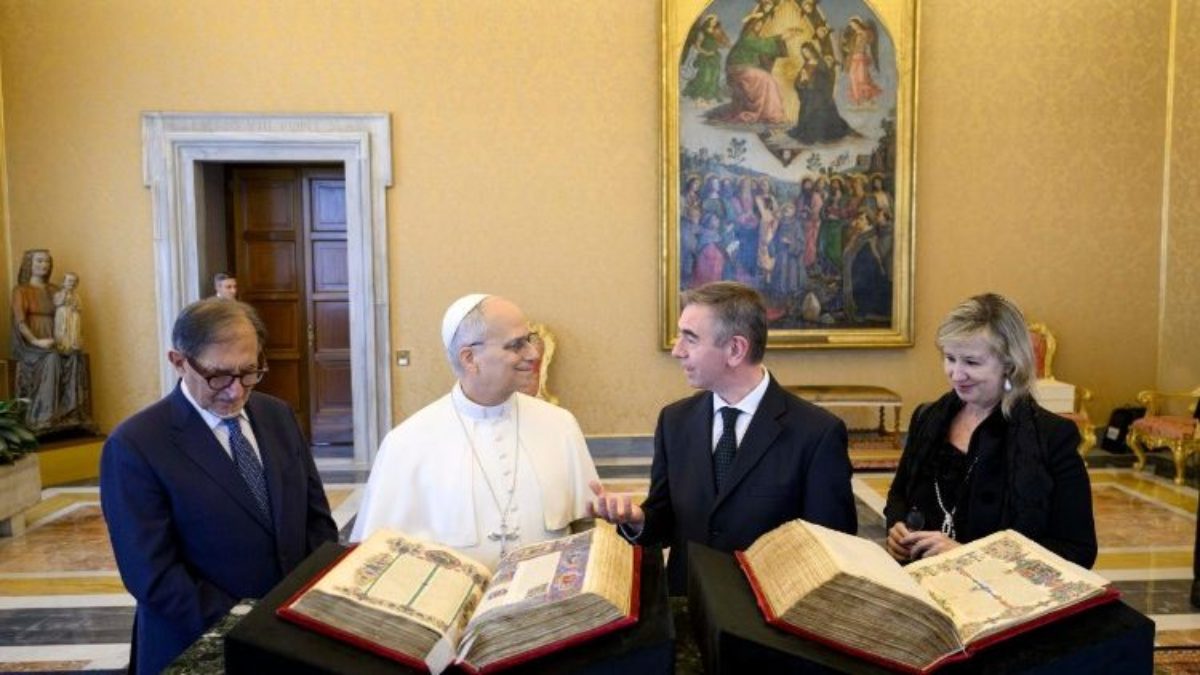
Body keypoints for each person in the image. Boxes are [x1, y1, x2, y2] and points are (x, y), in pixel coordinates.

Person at [100, 299, 338, 674]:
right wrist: (251, 627)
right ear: (179, 362)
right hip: (197, 646)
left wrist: (309, 607)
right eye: (219, 376)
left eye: (249, 372)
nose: (235, 391)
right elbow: (154, 577)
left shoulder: (277, 415)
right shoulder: (136, 444)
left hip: (291, 640)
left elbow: (317, 521)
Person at [589, 281, 857, 593]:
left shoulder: (817, 433)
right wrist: (637, 519)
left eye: (690, 338)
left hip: (767, 614)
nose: (677, 351)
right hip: (687, 605)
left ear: (735, 350)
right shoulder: (675, 421)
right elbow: (665, 520)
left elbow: (831, 552)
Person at [351, 294, 599, 570]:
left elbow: (585, 529)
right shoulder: (407, 442)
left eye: (528, 340)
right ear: (470, 358)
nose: (532, 354)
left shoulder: (560, 424)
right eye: (516, 345)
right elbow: (380, 560)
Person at [884, 293, 1097, 568]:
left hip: (998, 591)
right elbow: (899, 495)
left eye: (971, 362)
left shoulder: (1052, 437)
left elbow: (1078, 551)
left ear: (1010, 364)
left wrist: (969, 556)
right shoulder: (927, 418)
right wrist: (897, 528)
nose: (956, 374)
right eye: (950, 358)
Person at [12, 249, 96, 436]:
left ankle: (72, 414)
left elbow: (68, 314)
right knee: (52, 358)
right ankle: (44, 417)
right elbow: (20, 323)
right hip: (31, 344)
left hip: (58, 338)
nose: (44, 265)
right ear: (29, 264)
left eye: (47, 261)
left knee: (75, 356)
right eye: (39, 261)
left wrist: (71, 337)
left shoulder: (56, 290)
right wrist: (37, 341)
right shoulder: (21, 290)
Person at [53, 272, 83, 352]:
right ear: (63, 282)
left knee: (73, 332)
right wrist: (64, 295)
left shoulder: (76, 296)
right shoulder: (59, 294)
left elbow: (80, 308)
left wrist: (76, 307)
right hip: (62, 316)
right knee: (63, 330)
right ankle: (62, 346)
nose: (72, 283)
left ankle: (72, 346)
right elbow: (57, 303)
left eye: (74, 281)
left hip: (73, 318)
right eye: (70, 281)